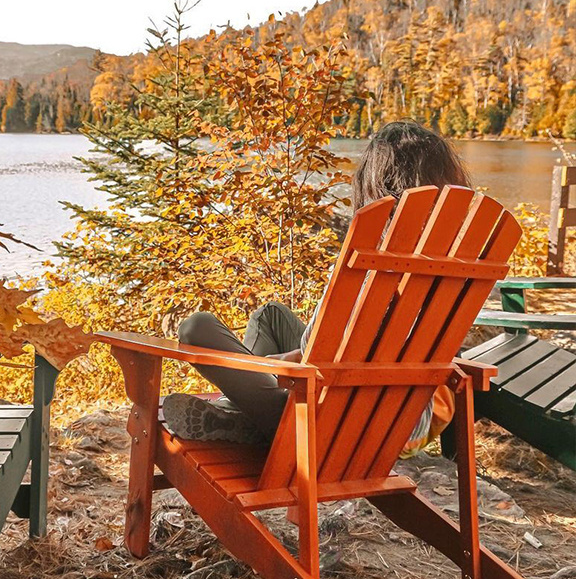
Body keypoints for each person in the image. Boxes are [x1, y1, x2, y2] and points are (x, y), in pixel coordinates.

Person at [162, 120, 470, 454]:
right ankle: (245, 415)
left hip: (338, 427)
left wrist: (269, 365)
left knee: (197, 328)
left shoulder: (373, 263)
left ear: (374, 186)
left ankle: (244, 416)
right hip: (407, 419)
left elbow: (318, 354)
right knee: (270, 315)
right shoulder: (457, 258)